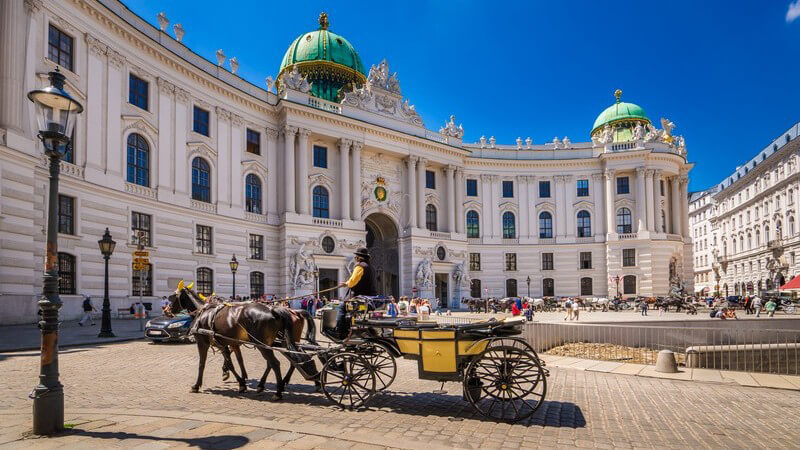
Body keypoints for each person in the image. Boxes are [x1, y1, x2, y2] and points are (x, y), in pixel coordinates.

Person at [335, 248, 376, 339]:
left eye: (356, 256)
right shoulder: (371, 267)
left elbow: (353, 281)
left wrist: (346, 284)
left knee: (341, 307)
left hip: (361, 298)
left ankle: (339, 331)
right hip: (370, 298)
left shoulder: (360, 266)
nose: (355, 258)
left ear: (359, 257)